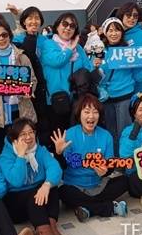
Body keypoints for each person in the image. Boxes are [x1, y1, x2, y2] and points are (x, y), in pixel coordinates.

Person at [52, 94, 129, 222]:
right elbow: (62, 167)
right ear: (79, 114)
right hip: (75, 186)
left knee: (124, 181)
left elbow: (109, 165)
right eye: (87, 112)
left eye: (95, 112)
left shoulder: (106, 136)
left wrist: (106, 171)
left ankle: (87, 208)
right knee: (63, 192)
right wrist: (59, 153)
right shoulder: (69, 134)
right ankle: (109, 207)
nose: (91, 116)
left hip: (98, 184)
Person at [0, 118, 67, 235]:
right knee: (33, 191)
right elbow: (16, 181)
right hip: (16, 206)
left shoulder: (40, 150)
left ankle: (51, 228)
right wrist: (20, 156)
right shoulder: (5, 157)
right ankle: (43, 233)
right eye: (23, 134)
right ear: (14, 139)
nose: (28, 137)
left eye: (31, 132)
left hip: (37, 204)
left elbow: (55, 168)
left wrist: (47, 185)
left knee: (52, 186)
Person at [97, 17, 142, 153]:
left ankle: (126, 158)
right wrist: (97, 66)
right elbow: (95, 77)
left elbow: (137, 77)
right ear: (105, 33)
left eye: (117, 30)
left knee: (125, 132)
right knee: (110, 133)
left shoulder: (129, 51)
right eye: (110, 30)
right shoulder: (99, 52)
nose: (114, 33)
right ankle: (115, 159)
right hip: (106, 98)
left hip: (125, 97)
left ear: (122, 33)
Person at [0, 20, 37, 155]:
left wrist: (30, 90)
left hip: (21, 111)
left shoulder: (22, 57)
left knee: (27, 150)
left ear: (10, 35)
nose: (1, 39)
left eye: (4, 35)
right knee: (2, 151)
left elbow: (33, 80)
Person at [40, 12, 93, 133]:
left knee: (75, 134)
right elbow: (57, 61)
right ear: (57, 26)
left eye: (72, 26)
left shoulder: (78, 48)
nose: (68, 28)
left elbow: (87, 67)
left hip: (76, 99)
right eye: (65, 24)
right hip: (57, 100)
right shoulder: (48, 44)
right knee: (59, 136)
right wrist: (70, 48)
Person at [12, 6, 51, 147]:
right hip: (27, 87)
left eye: (37, 18)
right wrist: (30, 36)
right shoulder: (17, 40)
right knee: (28, 123)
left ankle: (44, 150)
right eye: (30, 18)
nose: (34, 21)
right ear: (23, 22)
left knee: (44, 122)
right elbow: (26, 55)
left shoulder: (46, 40)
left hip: (43, 85)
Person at [115, 2, 142, 93]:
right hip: (118, 89)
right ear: (121, 15)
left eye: (135, 15)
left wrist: (137, 79)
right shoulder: (114, 35)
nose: (132, 18)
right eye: (128, 15)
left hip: (140, 89)